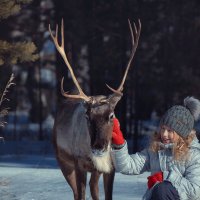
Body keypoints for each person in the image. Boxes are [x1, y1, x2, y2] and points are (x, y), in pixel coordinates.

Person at [111, 96, 200, 200]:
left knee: (163, 189)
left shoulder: (194, 155)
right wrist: (119, 144)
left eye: (170, 130)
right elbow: (128, 166)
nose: (164, 134)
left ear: (182, 133)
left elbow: (195, 190)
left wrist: (167, 177)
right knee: (161, 189)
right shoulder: (156, 149)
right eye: (163, 128)